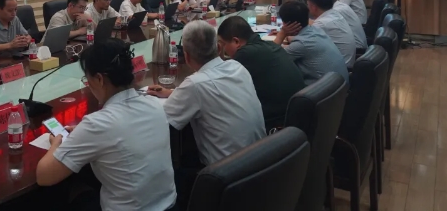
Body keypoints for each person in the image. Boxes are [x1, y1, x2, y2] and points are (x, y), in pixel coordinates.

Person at [36, 38, 177, 211]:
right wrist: (83, 133)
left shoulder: (97, 125)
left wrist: (55, 144)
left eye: (87, 79)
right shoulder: (154, 104)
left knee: (72, 193)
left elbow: (44, 176)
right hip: (170, 205)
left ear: (99, 79)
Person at [148, 21, 265, 166]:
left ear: (186, 56)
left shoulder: (195, 84)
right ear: (219, 48)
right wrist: (173, 93)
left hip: (226, 172)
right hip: (262, 162)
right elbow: (214, 93)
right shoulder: (238, 67)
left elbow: (159, 120)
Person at [217, 16, 305, 129]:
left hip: (277, 126)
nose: (224, 49)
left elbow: (220, 84)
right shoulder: (270, 45)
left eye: (223, 44)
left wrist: (218, 57)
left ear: (236, 41)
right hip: (297, 120)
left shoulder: (245, 54)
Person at [274, 1, 349, 86]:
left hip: (320, 91)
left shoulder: (301, 44)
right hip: (338, 88)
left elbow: (270, 59)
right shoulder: (316, 30)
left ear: (285, 24)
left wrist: (282, 34)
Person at [308, 0, 357, 65]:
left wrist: (288, 34)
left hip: (336, 68)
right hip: (344, 65)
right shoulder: (335, 14)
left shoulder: (321, 24)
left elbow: (303, 44)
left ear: (314, 7)